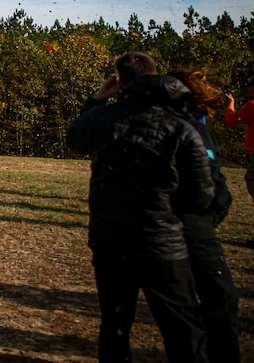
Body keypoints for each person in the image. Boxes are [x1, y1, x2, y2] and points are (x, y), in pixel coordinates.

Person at [67, 51, 214, 363]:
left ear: (119, 83)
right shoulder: (181, 127)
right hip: (163, 244)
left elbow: (76, 139)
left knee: (115, 326)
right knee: (184, 330)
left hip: (111, 240)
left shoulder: (101, 118)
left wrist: (96, 100)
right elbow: (201, 197)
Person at [168, 68, 240, 363]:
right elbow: (209, 184)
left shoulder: (185, 123)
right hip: (192, 224)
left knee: (186, 303)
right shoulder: (190, 127)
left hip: (181, 222)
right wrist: (214, 211)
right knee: (219, 299)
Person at [223, 71, 254, 207]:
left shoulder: (252, 106)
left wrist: (230, 105)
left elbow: (233, 121)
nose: (248, 88)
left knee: (252, 181)